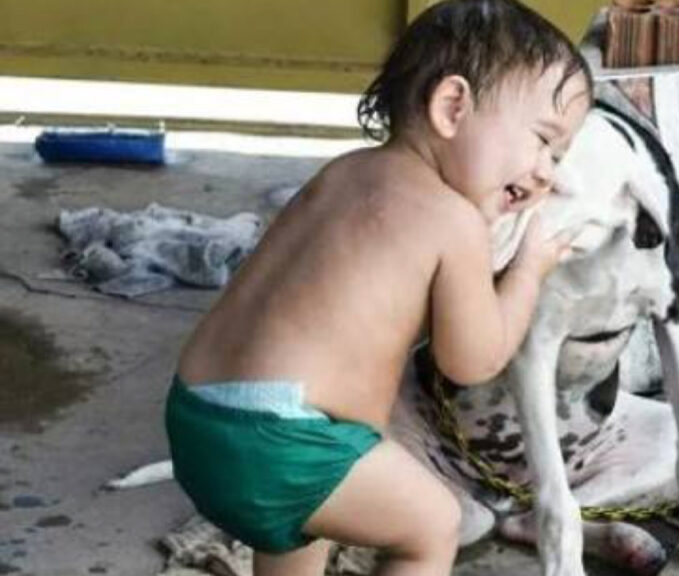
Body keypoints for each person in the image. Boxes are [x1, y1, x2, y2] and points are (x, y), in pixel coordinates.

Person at [164, 1, 593, 575]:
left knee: (305, 523)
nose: (548, 171)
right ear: (451, 106)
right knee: (432, 525)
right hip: (288, 441)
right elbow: (473, 359)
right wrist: (527, 272)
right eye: (544, 140)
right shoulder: (451, 220)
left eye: (558, 155)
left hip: (197, 419)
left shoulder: (342, 172)